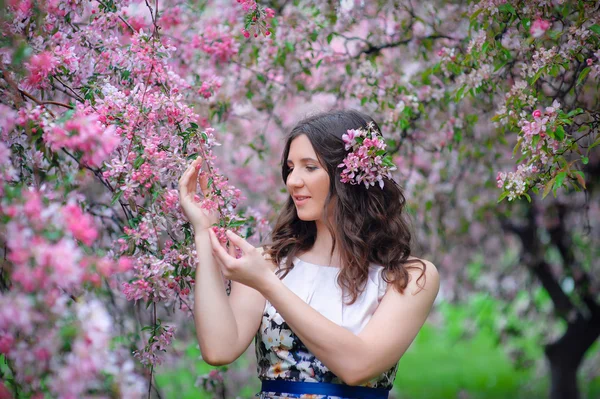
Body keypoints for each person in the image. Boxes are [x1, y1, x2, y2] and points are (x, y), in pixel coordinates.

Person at [178, 109, 440, 399]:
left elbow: (358, 366)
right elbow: (218, 349)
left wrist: (267, 284)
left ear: (350, 176)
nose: (292, 181)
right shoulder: (269, 263)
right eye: (290, 168)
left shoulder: (409, 277)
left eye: (309, 167)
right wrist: (203, 231)